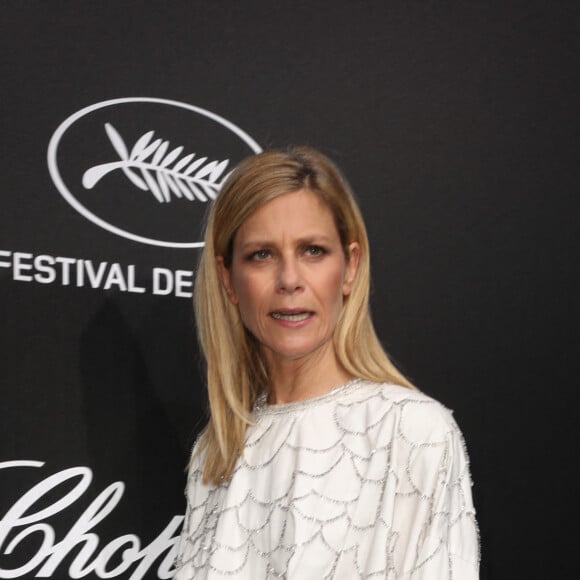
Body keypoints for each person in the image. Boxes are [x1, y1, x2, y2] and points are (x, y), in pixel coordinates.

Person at [173, 147, 479, 579]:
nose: (290, 280)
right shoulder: (215, 453)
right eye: (262, 254)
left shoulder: (412, 431)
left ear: (350, 266)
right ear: (228, 280)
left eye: (312, 251)